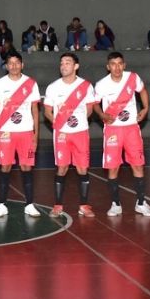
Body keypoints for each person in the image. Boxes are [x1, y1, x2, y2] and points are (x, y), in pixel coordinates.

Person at [93, 52, 150, 217]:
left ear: (124, 65)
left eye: (120, 63)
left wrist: (146, 108)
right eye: (113, 64)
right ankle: (115, 203)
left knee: (137, 165)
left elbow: (142, 91)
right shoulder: (101, 85)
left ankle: (141, 203)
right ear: (108, 66)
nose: (117, 67)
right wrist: (101, 114)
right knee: (113, 168)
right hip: (113, 130)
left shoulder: (132, 78)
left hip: (132, 128)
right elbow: (94, 104)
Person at [0, 51, 42, 218]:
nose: (13, 66)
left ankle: (29, 204)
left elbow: (35, 111)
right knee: (5, 167)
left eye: (16, 63)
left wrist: (36, 135)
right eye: (10, 63)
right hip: (5, 133)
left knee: (27, 167)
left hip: (26, 132)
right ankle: (2, 204)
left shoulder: (31, 84)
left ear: (22, 64)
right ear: (6, 65)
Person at [43, 53, 96, 218]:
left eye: (67, 62)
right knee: (62, 167)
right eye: (62, 63)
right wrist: (60, 124)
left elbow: (89, 109)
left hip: (80, 132)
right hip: (62, 134)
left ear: (76, 66)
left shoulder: (86, 86)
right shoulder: (53, 87)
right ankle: (58, 205)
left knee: (82, 168)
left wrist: (77, 122)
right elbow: (47, 112)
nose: (63, 65)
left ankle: (84, 205)